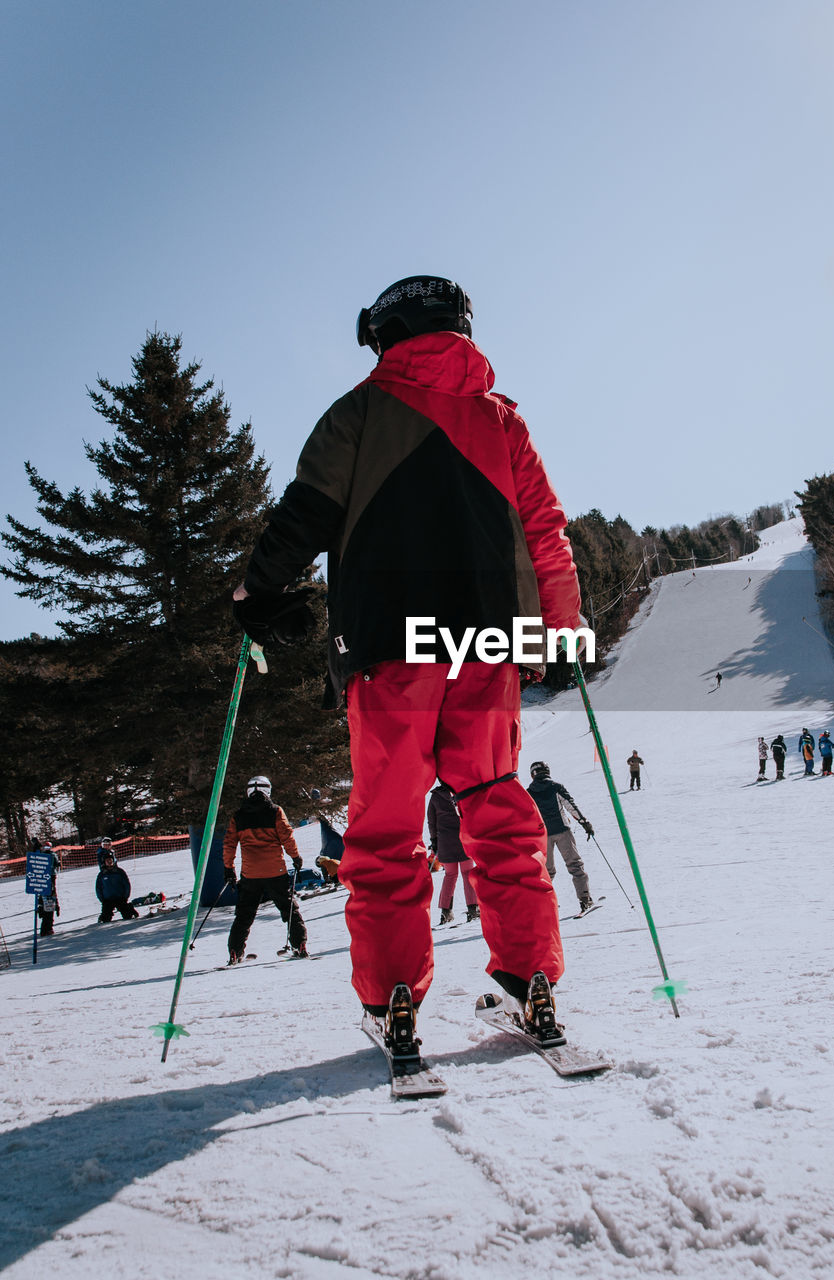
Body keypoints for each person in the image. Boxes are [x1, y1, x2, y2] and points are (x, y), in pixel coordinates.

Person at [231, 276, 582, 1050]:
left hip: (390, 647)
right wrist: (561, 625)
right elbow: (545, 527)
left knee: (387, 827)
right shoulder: (505, 423)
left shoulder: (358, 413)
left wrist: (257, 590)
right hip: (485, 649)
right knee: (497, 811)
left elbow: (307, 511)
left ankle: (393, 993)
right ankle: (533, 980)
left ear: (384, 335)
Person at [222, 776, 307, 963]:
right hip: (275, 870)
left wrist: (229, 868)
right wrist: (295, 857)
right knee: (289, 909)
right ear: (268, 790)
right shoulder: (275, 811)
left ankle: (235, 952)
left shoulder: (239, 815)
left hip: (250, 873)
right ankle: (299, 944)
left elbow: (229, 843)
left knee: (244, 915)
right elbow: (287, 836)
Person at [527, 762, 594, 914]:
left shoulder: (529, 792)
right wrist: (585, 823)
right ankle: (585, 899)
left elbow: (527, 815)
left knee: (547, 871)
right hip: (562, 830)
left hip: (543, 835)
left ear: (533, 774)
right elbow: (571, 806)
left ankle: (545, 904)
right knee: (575, 865)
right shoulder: (556, 787)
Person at [427, 783, 479, 925]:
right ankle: (473, 909)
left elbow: (432, 822)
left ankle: (446, 912)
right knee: (468, 873)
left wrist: (434, 841)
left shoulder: (435, 797)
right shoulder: (462, 791)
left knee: (450, 876)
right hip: (463, 840)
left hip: (445, 842)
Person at [95, 848, 140, 922]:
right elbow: (98, 888)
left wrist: (125, 896)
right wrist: (102, 899)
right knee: (106, 919)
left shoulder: (119, 872)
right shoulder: (102, 874)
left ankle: (130, 909)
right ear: (104, 862)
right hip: (108, 900)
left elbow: (126, 884)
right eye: (107, 861)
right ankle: (102, 916)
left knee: (127, 916)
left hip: (120, 898)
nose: (109, 862)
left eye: (111, 860)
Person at [32, 839, 60, 936]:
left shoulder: (52, 855)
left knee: (50, 899)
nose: (46, 849)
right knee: (45, 900)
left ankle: (48, 926)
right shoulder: (42, 855)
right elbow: (36, 857)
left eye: (48, 847)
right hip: (43, 879)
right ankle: (46, 927)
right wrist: (37, 846)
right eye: (45, 847)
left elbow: (56, 863)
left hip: (50, 877)